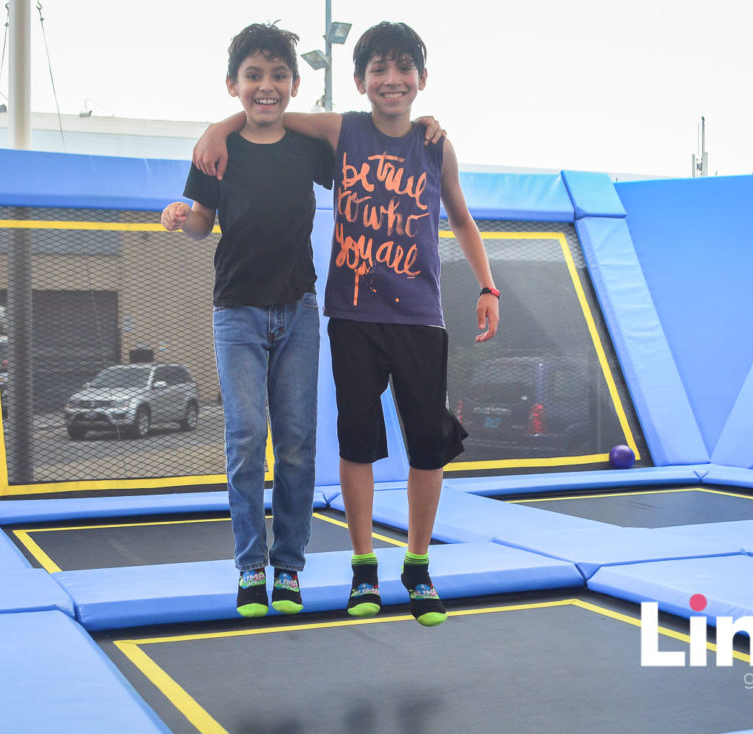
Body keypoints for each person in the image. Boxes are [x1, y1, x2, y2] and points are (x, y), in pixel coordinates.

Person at [194, 21, 499, 627]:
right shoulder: (341, 130)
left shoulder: (436, 144)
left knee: (426, 446)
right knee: (351, 442)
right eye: (378, 71)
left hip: (419, 316)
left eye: (403, 69)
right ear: (359, 81)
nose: (391, 80)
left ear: (421, 79)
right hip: (351, 315)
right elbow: (268, 115)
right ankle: (363, 566)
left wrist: (488, 285)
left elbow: (462, 219)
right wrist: (217, 124)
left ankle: (416, 563)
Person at [160, 22, 334, 618]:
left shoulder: (307, 149)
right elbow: (204, 223)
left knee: (298, 444)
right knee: (243, 441)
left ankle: (288, 567)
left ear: (294, 82)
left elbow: (358, 144)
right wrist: (181, 215)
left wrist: (427, 133)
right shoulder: (215, 152)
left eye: (278, 75)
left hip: (299, 312)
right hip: (237, 313)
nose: (267, 86)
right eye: (254, 76)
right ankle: (250, 566)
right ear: (233, 85)